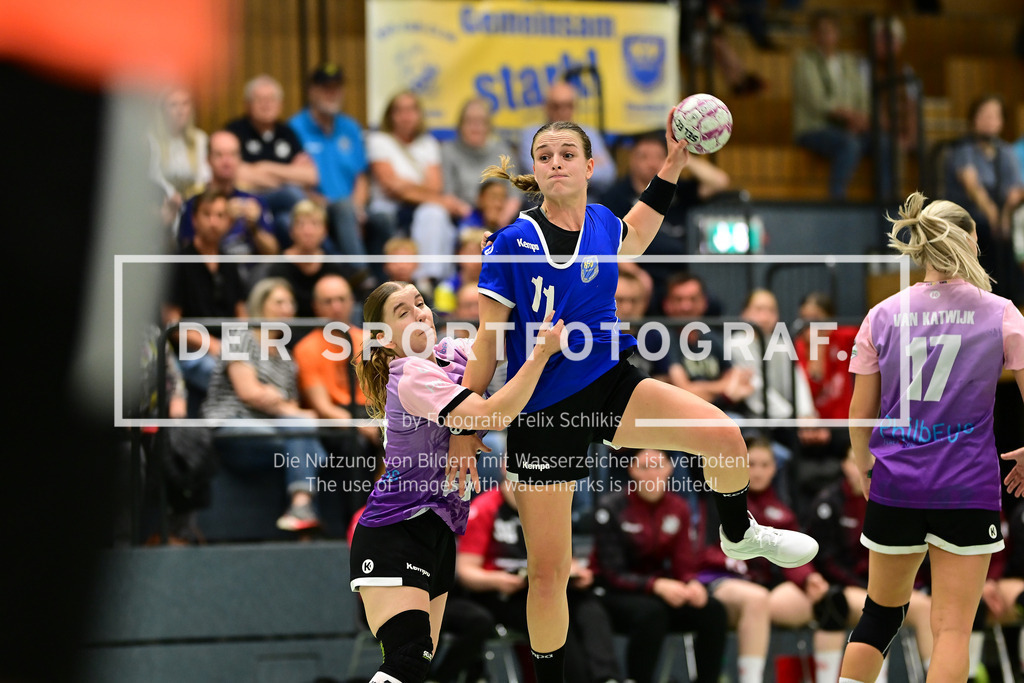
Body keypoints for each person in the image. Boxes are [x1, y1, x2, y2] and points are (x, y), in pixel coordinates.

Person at [455, 118, 819, 682]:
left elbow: (638, 231)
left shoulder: (602, 223)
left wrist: (672, 162)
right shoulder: (510, 242)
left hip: (608, 383)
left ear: (589, 167)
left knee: (724, 435)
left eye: (567, 153)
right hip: (540, 405)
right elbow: (486, 345)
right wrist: (467, 425)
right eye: (544, 154)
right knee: (550, 572)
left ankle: (739, 533)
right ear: (536, 170)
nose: (555, 161)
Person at [838, 191, 1024, 683]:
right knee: (952, 630)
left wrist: (864, 467)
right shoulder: (1002, 312)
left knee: (879, 617)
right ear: (973, 242)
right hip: (967, 486)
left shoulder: (883, 313)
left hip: (896, 482)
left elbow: (860, 412)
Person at [348, 281, 564, 683]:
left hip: (440, 529)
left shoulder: (449, 354)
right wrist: (540, 355)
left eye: (420, 303)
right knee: (406, 659)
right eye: (403, 312)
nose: (420, 313)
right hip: (396, 527)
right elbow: (488, 415)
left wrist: (499, 271)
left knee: (416, 664)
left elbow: (495, 352)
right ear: (385, 339)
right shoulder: (411, 374)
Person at [696, 438, 851, 683]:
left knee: (829, 601)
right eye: (751, 464)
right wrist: (738, 563)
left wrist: (809, 578)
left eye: (764, 464)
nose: (756, 471)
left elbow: (793, 558)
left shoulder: (782, 510)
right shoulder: (719, 501)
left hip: (766, 587)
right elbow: (702, 550)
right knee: (756, 600)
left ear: (774, 468)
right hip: (721, 581)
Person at [457, 468, 624, 683]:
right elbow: (466, 571)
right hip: (503, 594)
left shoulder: (549, 508)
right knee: (556, 618)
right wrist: (498, 581)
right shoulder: (484, 508)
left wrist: (578, 573)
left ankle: (607, 678)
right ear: (505, 468)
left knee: (589, 607)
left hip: (546, 586)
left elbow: (566, 560)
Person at [200, 277, 327, 532]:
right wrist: (281, 404)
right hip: (232, 424)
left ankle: (301, 507)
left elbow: (286, 402)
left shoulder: (285, 355)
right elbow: (249, 393)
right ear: (260, 304)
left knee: (302, 436)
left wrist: (276, 399)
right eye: (279, 302)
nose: (287, 309)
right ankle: (302, 507)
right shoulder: (240, 336)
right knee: (307, 441)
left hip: (274, 429)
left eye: (291, 303)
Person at [590, 448, 728, 683]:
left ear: (669, 468)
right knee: (651, 613)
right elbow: (612, 572)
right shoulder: (611, 507)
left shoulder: (679, 507)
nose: (652, 474)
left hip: (662, 590)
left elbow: (684, 563)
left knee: (713, 610)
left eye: (657, 466)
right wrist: (655, 585)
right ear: (632, 470)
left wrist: (692, 583)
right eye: (644, 467)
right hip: (616, 593)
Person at [805, 448, 934, 681]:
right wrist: (860, 585)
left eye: (872, 462)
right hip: (845, 585)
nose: (864, 468)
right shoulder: (828, 502)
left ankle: (936, 675)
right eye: (856, 462)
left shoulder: (892, 499)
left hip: (880, 582)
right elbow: (826, 558)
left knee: (923, 607)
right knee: (873, 609)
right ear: (844, 465)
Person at [293, 273, 381, 526]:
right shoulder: (307, 347)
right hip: (333, 419)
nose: (336, 306)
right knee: (354, 446)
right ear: (316, 306)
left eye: (341, 299)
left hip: (370, 410)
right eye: (328, 301)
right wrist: (362, 427)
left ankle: (396, 515)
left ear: (351, 302)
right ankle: (358, 523)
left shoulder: (368, 341)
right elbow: (322, 406)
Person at [367, 90, 471, 285]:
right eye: (400, 111)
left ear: (419, 114)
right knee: (437, 206)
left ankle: (426, 280)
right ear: (390, 115)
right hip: (388, 208)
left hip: (419, 207)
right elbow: (392, 186)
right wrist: (438, 198)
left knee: (434, 213)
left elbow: (434, 186)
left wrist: (407, 185)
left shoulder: (428, 143)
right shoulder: (379, 141)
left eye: (411, 110)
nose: (406, 116)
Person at [162, 188, 248, 414]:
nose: (214, 222)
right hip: (192, 353)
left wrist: (245, 345)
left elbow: (242, 315)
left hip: (229, 348)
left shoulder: (229, 263)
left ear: (228, 221)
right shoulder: (178, 262)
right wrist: (213, 344)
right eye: (207, 214)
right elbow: (172, 326)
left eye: (220, 215)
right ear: (194, 219)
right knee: (223, 372)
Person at [943, 94, 1024, 301]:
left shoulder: (1005, 151)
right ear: (973, 119)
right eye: (984, 115)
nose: (989, 120)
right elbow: (972, 185)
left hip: (1001, 222)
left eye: (994, 115)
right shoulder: (963, 149)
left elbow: (1015, 190)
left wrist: (1004, 217)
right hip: (969, 220)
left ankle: (1012, 300)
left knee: (1007, 240)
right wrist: (992, 213)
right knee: (987, 234)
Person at [225, 74, 319, 246]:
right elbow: (236, 174)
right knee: (291, 192)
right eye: (260, 99)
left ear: (280, 105)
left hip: (280, 206)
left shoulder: (287, 132)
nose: (266, 104)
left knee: (285, 221)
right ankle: (334, 260)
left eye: (271, 99)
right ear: (247, 104)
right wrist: (288, 175)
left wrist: (262, 168)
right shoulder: (235, 131)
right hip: (247, 199)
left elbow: (311, 176)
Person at [177, 130, 279, 287]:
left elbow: (272, 252)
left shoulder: (254, 201)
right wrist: (224, 220)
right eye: (219, 155)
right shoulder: (194, 203)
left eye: (232, 155)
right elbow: (188, 253)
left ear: (240, 159)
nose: (227, 162)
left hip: (249, 275)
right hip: (210, 275)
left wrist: (254, 227)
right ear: (208, 160)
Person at [792, 10, 873, 200]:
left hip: (849, 127)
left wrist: (861, 118)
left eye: (830, 31)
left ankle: (888, 203)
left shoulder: (848, 62)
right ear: (814, 35)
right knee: (849, 144)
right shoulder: (805, 62)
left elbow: (863, 97)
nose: (826, 36)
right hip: (814, 128)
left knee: (885, 143)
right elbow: (817, 101)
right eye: (821, 31)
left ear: (838, 34)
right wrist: (848, 116)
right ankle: (837, 199)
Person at [517, 80, 617, 198]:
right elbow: (539, 175)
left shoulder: (589, 133)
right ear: (546, 107)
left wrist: (556, 169)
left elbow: (608, 175)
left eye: (568, 106)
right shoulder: (531, 135)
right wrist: (582, 166)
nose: (563, 112)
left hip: (585, 205)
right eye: (556, 106)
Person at [262, 199, 360, 317]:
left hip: (328, 330)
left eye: (314, 224)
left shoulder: (333, 266)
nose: (308, 231)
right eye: (301, 224)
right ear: (291, 231)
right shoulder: (279, 267)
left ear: (325, 231)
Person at [442, 98, 522, 228]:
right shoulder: (449, 151)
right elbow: (447, 194)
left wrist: (501, 221)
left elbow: (515, 196)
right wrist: (469, 215)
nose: (476, 126)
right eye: (470, 121)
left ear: (489, 126)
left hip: (500, 217)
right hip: (462, 217)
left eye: (481, 121)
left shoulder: (503, 151)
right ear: (460, 125)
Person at [148, 86, 211, 211]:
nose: (180, 110)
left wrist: (194, 197)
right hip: (163, 202)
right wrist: (171, 194)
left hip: (193, 204)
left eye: (185, 104)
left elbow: (204, 174)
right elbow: (153, 174)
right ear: (162, 110)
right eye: (173, 105)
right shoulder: (151, 140)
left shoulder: (199, 138)